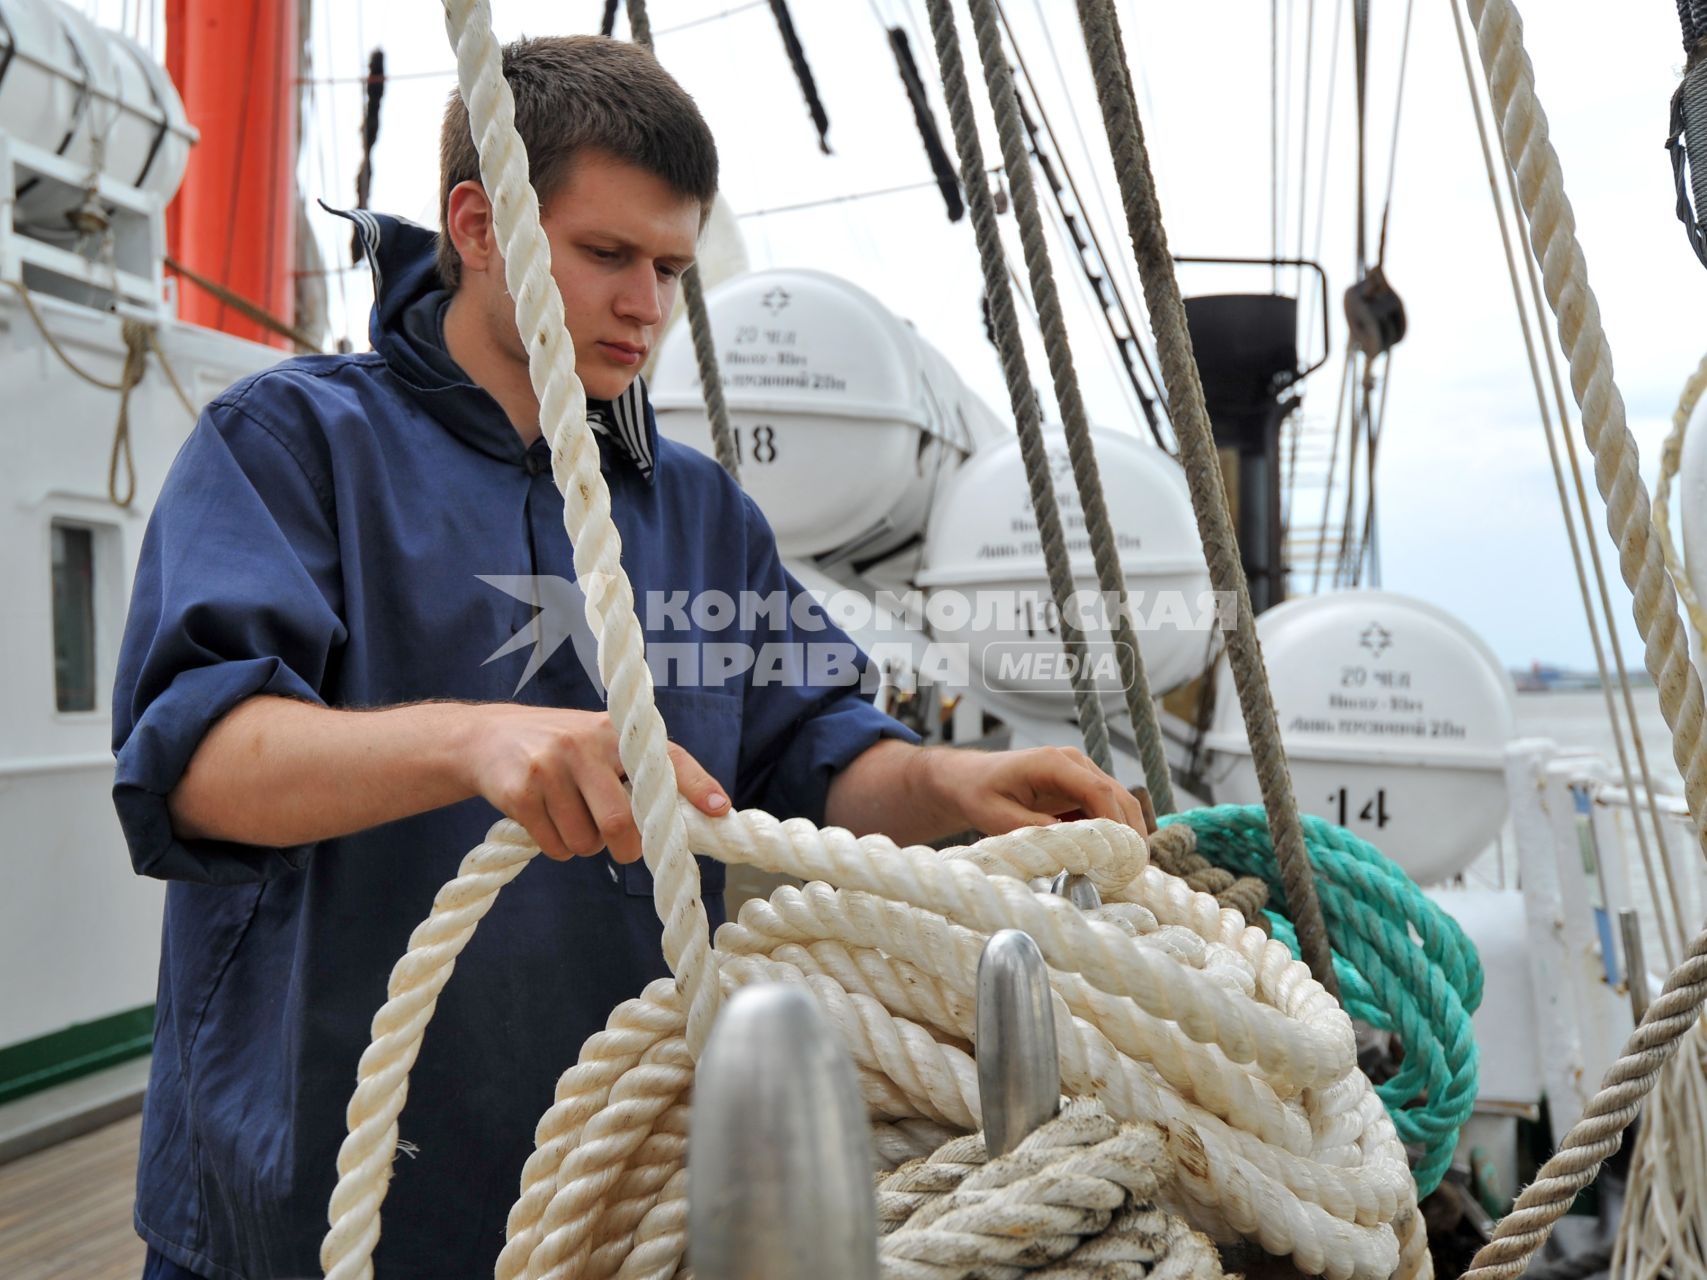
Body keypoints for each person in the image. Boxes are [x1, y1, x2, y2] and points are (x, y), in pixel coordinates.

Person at [115, 34, 1147, 1280]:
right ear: (479, 223)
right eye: (607, 254)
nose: (646, 305)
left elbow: (806, 757)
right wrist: (480, 738)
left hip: (611, 1211)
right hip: (308, 1219)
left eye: (671, 265)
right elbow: (199, 763)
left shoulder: (701, 512)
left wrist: (945, 787)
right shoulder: (288, 444)